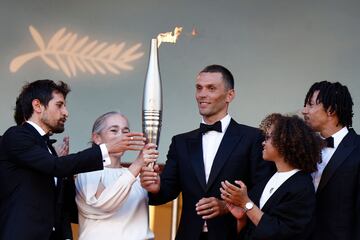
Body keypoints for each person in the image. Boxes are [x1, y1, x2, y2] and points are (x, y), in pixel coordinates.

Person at [140, 64, 274, 240]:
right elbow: (166, 192)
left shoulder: (253, 138)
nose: (202, 94)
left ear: (230, 95)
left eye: (211, 88)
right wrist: (154, 188)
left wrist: (226, 206)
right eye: (199, 88)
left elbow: (265, 190)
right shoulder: (180, 142)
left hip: (234, 235)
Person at [0, 79, 146, 240]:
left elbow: (64, 203)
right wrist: (107, 148)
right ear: (37, 106)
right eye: (59, 105)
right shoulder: (16, 135)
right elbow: (54, 166)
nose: (65, 112)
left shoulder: (46, 147)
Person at [220, 114, 322, 239]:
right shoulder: (267, 180)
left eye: (268, 137)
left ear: (284, 141)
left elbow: (281, 233)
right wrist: (242, 219)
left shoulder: (302, 186)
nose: (263, 142)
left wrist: (246, 203)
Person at [75, 111, 156, 240]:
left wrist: (156, 184)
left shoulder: (135, 174)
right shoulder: (87, 172)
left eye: (125, 131)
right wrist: (138, 163)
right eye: (114, 130)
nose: (121, 136)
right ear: (97, 138)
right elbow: (104, 204)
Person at [302, 81, 360, 240]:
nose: (304, 111)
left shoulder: (357, 149)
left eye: (311, 105)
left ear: (331, 110)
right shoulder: (302, 147)